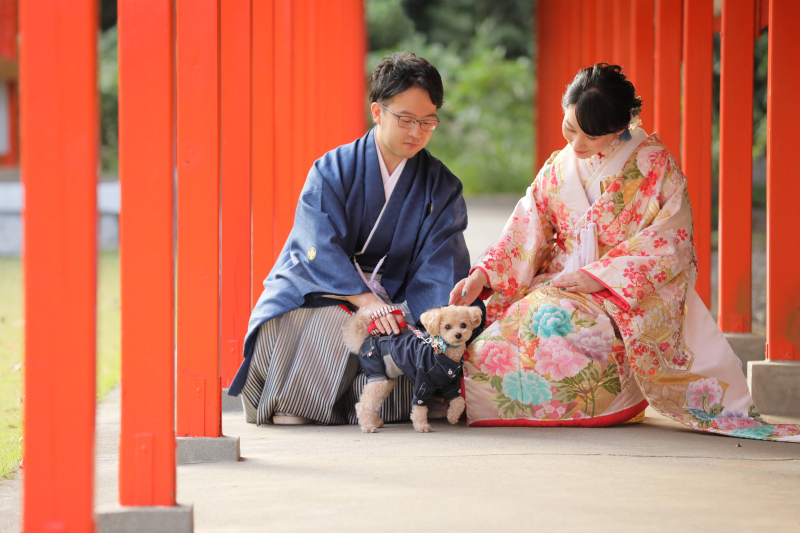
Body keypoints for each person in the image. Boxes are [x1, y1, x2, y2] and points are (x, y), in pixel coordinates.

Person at [450, 63, 799, 442]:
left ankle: (492, 397)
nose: (577, 144)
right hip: (557, 284)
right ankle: (460, 390)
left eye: (591, 135)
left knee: (555, 329)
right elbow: (527, 225)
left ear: (621, 126)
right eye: (570, 128)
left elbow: (669, 241)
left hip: (617, 298)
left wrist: (597, 278)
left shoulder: (654, 166)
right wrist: (483, 273)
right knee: (506, 332)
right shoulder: (559, 166)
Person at [227, 52, 481, 426]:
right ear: (377, 112)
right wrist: (364, 299)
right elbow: (317, 244)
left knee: (423, 332)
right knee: (314, 317)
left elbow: (442, 261)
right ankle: (298, 402)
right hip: (331, 289)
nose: (417, 132)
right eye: (406, 119)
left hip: (399, 298)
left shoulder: (441, 186)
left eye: (428, 121)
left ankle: (384, 400)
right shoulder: (332, 170)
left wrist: (410, 313)